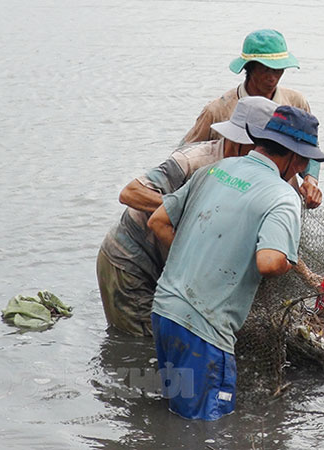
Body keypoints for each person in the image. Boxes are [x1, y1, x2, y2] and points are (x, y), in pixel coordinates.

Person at [147, 106, 324, 420]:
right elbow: (269, 263)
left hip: (164, 313)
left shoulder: (216, 170)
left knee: (176, 409)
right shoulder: (281, 196)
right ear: (295, 157)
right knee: (206, 427)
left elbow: (158, 221)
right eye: (303, 160)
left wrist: (201, 254)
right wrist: (288, 261)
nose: (302, 167)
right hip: (204, 331)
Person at [97, 96, 294, 337]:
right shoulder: (195, 160)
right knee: (145, 345)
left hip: (169, 266)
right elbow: (130, 192)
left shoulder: (256, 175)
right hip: (131, 259)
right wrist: (191, 209)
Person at [180, 28, 322, 207]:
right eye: (265, 69)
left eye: (278, 69)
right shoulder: (218, 110)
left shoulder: (295, 103)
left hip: (279, 196)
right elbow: (186, 154)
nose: (272, 77)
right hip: (227, 198)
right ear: (249, 67)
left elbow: (310, 149)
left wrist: (310, 180)